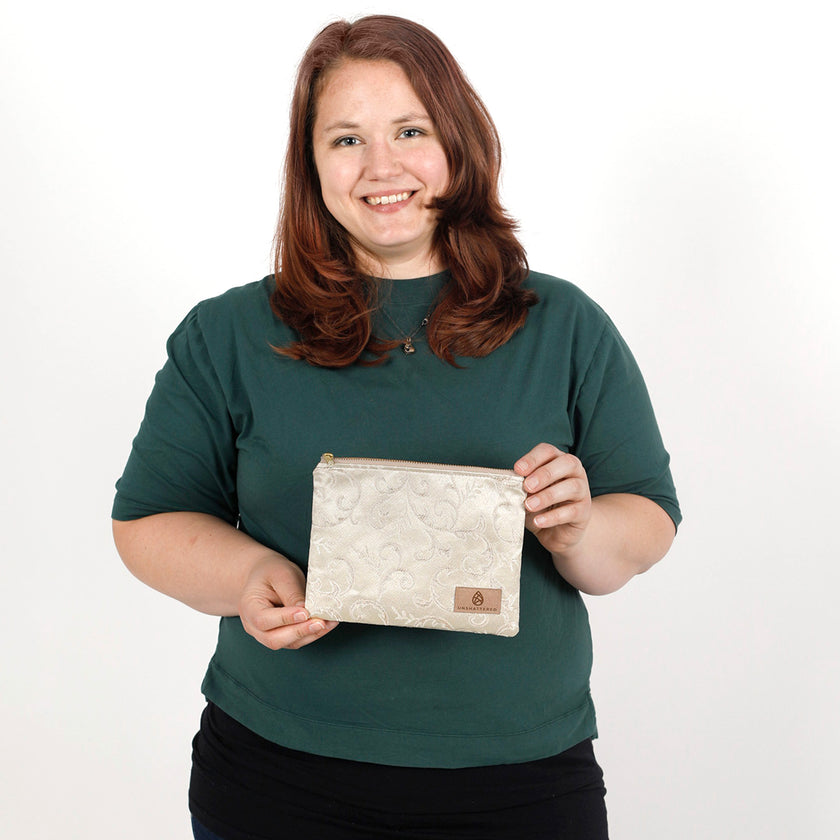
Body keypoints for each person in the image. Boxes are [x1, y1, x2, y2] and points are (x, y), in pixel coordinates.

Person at [112, 14, 680, 840]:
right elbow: (146, 522)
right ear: (311, 163)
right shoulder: (227, 334)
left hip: (517, 784)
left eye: (411, 131)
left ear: (458, 142)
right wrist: (248, 576)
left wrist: (579, 527)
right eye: (347, 139)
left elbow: (648, 522)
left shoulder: (563, 325)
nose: (382, 167)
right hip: (278, 777)